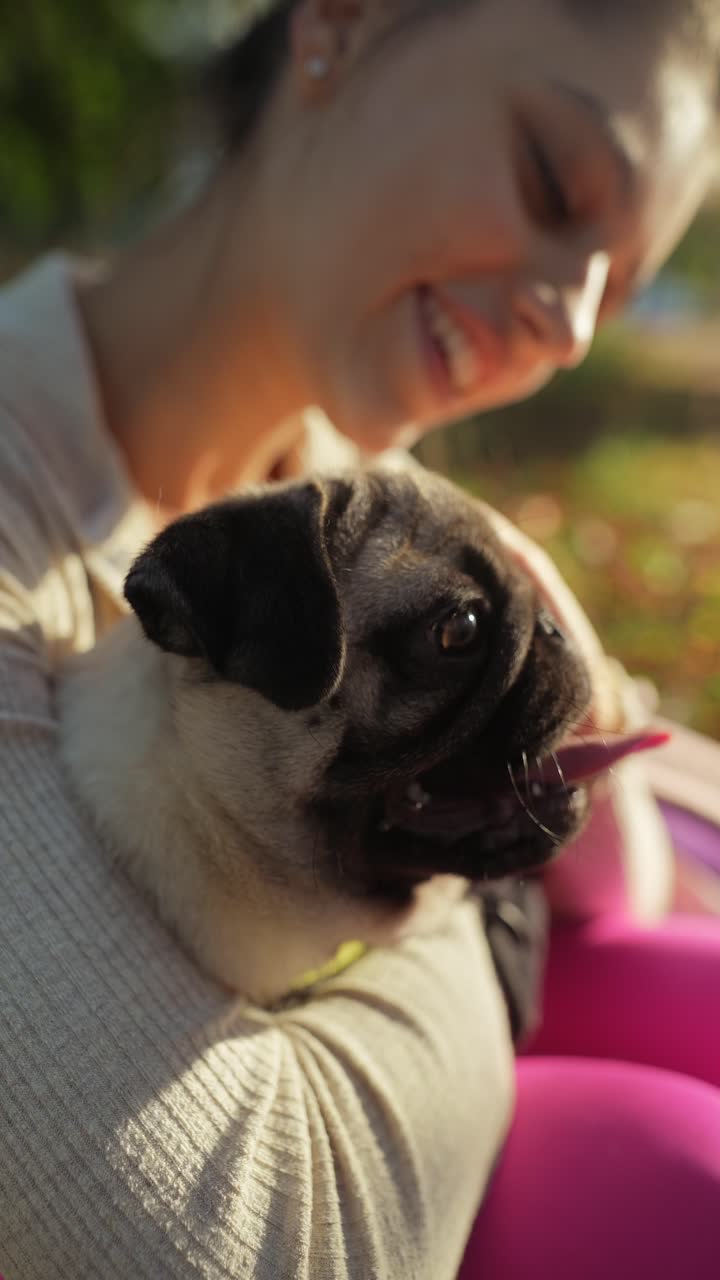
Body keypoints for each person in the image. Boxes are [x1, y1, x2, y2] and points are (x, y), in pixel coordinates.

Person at [1, 1, 719, 1276]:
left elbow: (617, 880)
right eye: (553, 178)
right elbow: (224, 1241)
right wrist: (488, 934)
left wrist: (558, 668)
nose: (568, 320)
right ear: (342, 21)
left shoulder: (368, 496)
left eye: (614, 285)